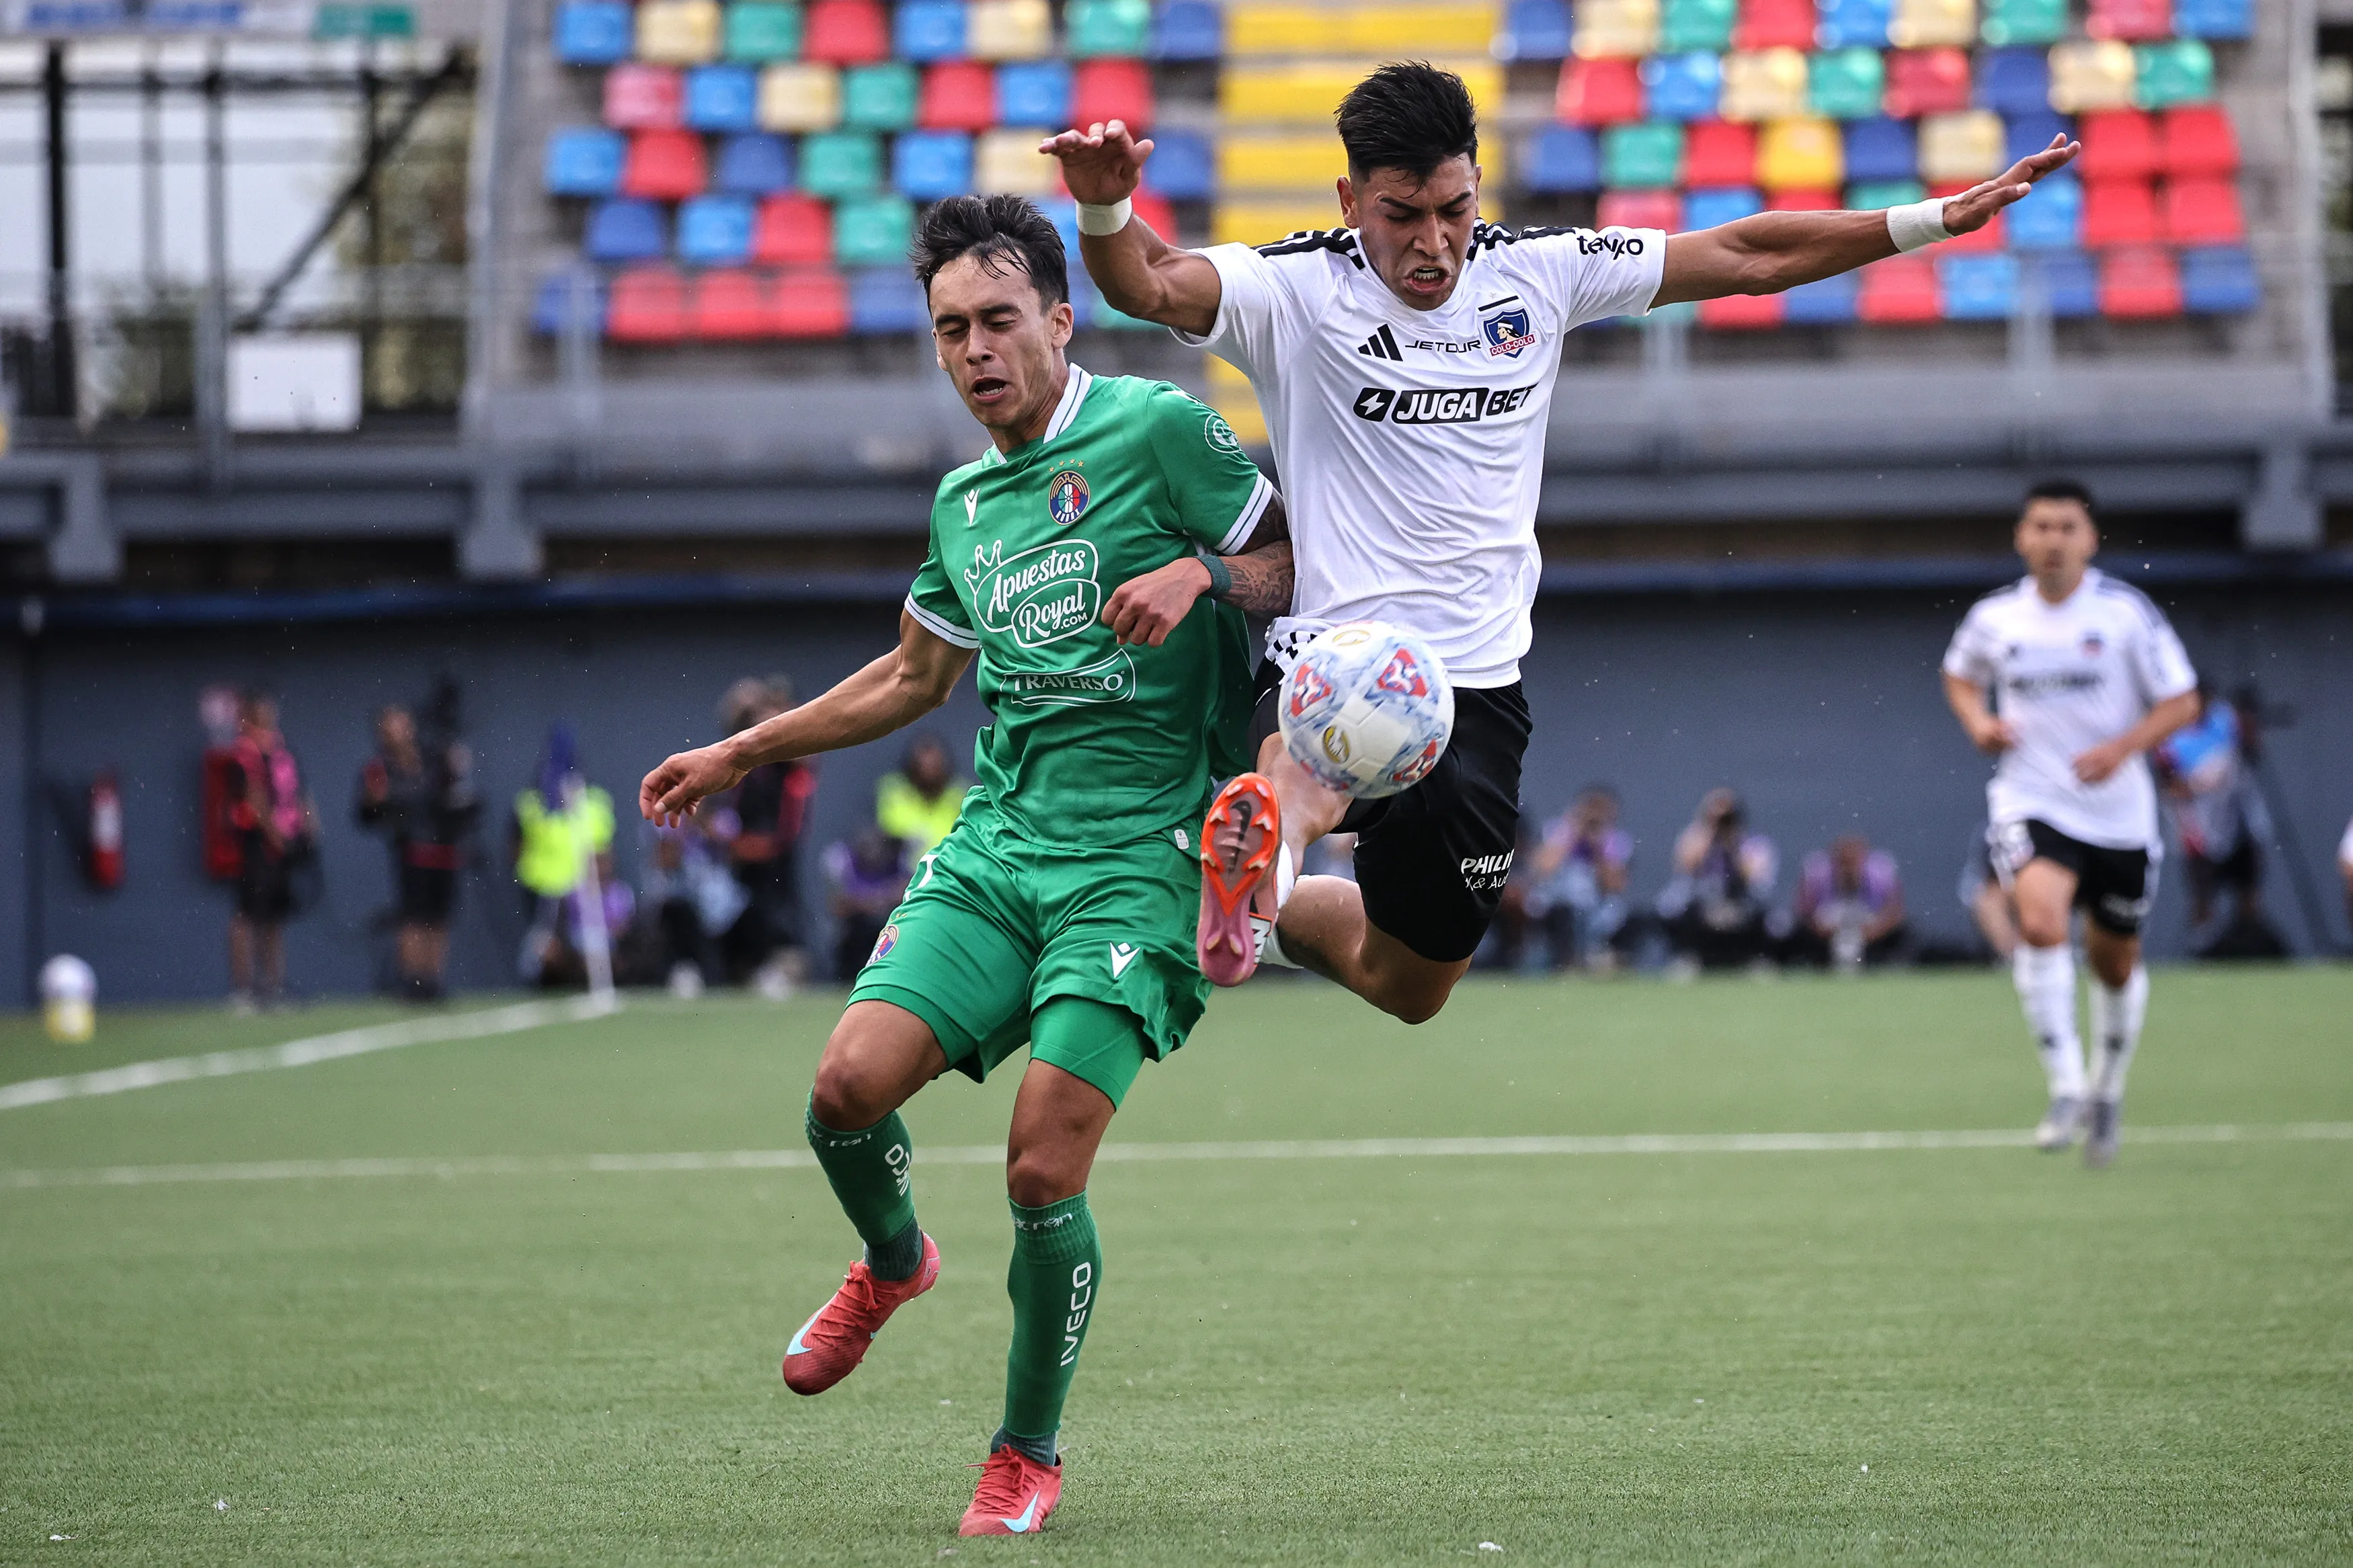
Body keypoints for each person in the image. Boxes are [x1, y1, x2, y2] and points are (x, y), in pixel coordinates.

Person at [1043, 62, 2079, 1022]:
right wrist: (1105, 203)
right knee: (1314, 756)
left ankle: (1252, 900)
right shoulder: (1294, 291)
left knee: (1409, 985)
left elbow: (1749, 255)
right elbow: (1147, 284)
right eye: (1400, 217)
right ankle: (1269, 837)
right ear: (1350, 203)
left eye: (1454, 210)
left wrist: (1935, 218)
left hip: (1481, 684)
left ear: (1479, 187)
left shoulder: (1539, 274)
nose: (1433, 243)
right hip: (1340, 644)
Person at [635, 195, 1293, 1538]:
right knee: (841, 1088)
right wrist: (740, 749)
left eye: (999, 319)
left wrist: (1203, 579)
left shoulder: (1159, 430)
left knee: (1042, 1164)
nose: (977, 349)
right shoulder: (964, 502)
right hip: (1003, 847)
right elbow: (914, 673)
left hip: (1145, 855)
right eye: (951, 330)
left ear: (1062, 318)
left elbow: (1300, 557)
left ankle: (1025, 1449)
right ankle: (893, 1261)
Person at [1942, 480, 2198, 1167]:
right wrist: (1977, 723)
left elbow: (2182, 700)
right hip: (2032, 799)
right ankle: (2063, 1087)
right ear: (2020, 537)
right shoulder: (1995, 618)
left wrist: (2120, 748)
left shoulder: (2123, 614)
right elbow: (1958, 675)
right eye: (2039, 526)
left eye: (2066, 527)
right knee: (2040, 922)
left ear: (2090, 539)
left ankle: (2105, 1089)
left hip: (2117, 817)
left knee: (2114, 962)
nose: (2052, 539)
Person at [355, 702, 479, 1001]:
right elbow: (367, 813)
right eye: (390, 726)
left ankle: (433, 980)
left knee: (439, 916)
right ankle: (413, 981)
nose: (397, 731)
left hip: (443, 847)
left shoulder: (433, 758)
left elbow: (457, 796)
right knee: (413, 916)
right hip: (411, 850)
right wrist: (376, 803)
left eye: (401, 723)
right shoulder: (380, 767)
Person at [712, 677, 818, 998]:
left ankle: (780, 966)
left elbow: (782, 836)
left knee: (775, 908)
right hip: (737, 860)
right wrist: (747, 703)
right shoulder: (746, 759)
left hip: (774, 855)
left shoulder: (793, 767)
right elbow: (731, 718)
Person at [2151, 681, 2276, 949]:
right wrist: (2199, 783)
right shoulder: (2170, 731)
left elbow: (2251, 750)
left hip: (2236, 820)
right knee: (2203, 890)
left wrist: (2249, 724)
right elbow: (2169, 783)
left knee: (2248, 885)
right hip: (2198, 824)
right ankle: (2203, 949)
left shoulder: (2226, 719)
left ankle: (2249, 946)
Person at [224, 690, 317, 1011]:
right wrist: (273, 834)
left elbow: (299, 793)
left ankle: (273, 986)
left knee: (275, 916)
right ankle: (244, 991)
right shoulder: (243, 753)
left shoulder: (281, 750)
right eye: (261, 714)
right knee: (248, 914)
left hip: (286, 845)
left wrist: (309, 829)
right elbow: (254, 798)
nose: (268, 719)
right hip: (258, 845)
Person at [513, 723, 619, 989]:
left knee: (586, 943)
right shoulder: (533, 801)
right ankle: (539, 981)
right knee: (545, 946)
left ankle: (582, 983)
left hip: (582, 890)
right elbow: (516, 845)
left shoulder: (594, 802)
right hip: (543, 888)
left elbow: (604, 851)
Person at [1655, 788, 1778, 972]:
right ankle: (1688, 957)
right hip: (1703, 904)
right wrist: (1710, 831)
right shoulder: (1695, 838)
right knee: (1673, 907)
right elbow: (1686, 865)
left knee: (1768, 916)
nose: (1723, 823)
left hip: (1739, 904)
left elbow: (1753, 878)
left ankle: (1755, 959)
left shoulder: (1754, 844)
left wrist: (1732, 843)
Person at [1529, 786, 1634, 971]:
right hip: (1557, 904)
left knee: (1615, 916)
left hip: (1597, 907)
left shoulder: (1615, 841)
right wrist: (1572, 833)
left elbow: (1615, 886)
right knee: (1560, 911)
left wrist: (1598, 847)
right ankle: (1567, 961)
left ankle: (1600, 959)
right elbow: (1542, 869)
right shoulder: (1557, 831)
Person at [1787, 835, 1908, 970]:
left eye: (1853, 862)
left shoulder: (1880, 873)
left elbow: (1895, 911)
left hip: (1870, 922)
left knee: (1905, 935)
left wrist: (1875, 931)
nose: (1849, 868)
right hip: (1828, 926)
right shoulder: (1818, 874)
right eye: (1844, 862)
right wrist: (1821, 930)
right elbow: (1803, 910)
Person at [823, 827, 911, 982]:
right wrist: (875, 901)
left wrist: (872, 901)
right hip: (857, 929)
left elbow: (905, 893)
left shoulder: (897, 865)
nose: (874, 854)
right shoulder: (847, 865)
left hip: (887, 925)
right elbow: (838, 905)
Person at [876, 733, 969, 860]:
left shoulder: (960, 795)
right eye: (923, 766)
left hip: (949, 868)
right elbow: (889, 833)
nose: (929, 772)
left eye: (934, 767)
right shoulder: (895, 791)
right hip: (906, 872)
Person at [1958, 823, 2020, 962]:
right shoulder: (1994, 832)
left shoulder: (2059, 824)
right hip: (2009, 890)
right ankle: (2014, 960)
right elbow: (1985, 880)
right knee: (1989, 900)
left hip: (2053, 890)